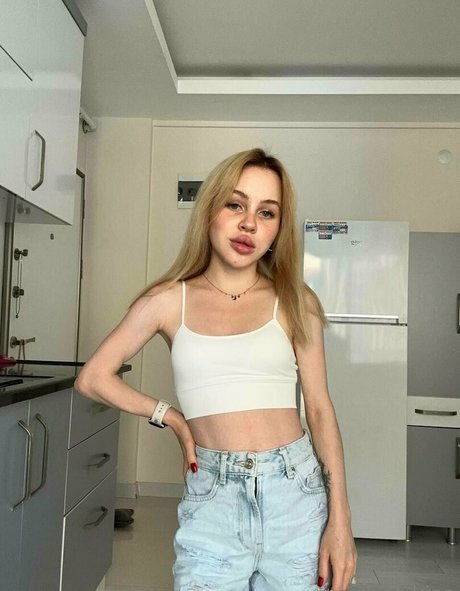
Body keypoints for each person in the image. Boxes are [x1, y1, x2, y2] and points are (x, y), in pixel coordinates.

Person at [75, 148, 357, 591]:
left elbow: (320, 411)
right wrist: (170, 417)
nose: (249, 224)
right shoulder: (167, 301)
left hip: (295, 495)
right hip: (212, 497)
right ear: (210, 210)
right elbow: (93, 378)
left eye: (266, 212)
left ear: (277, 230)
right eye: (235, 205)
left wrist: (341, 521)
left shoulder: (296, 301)